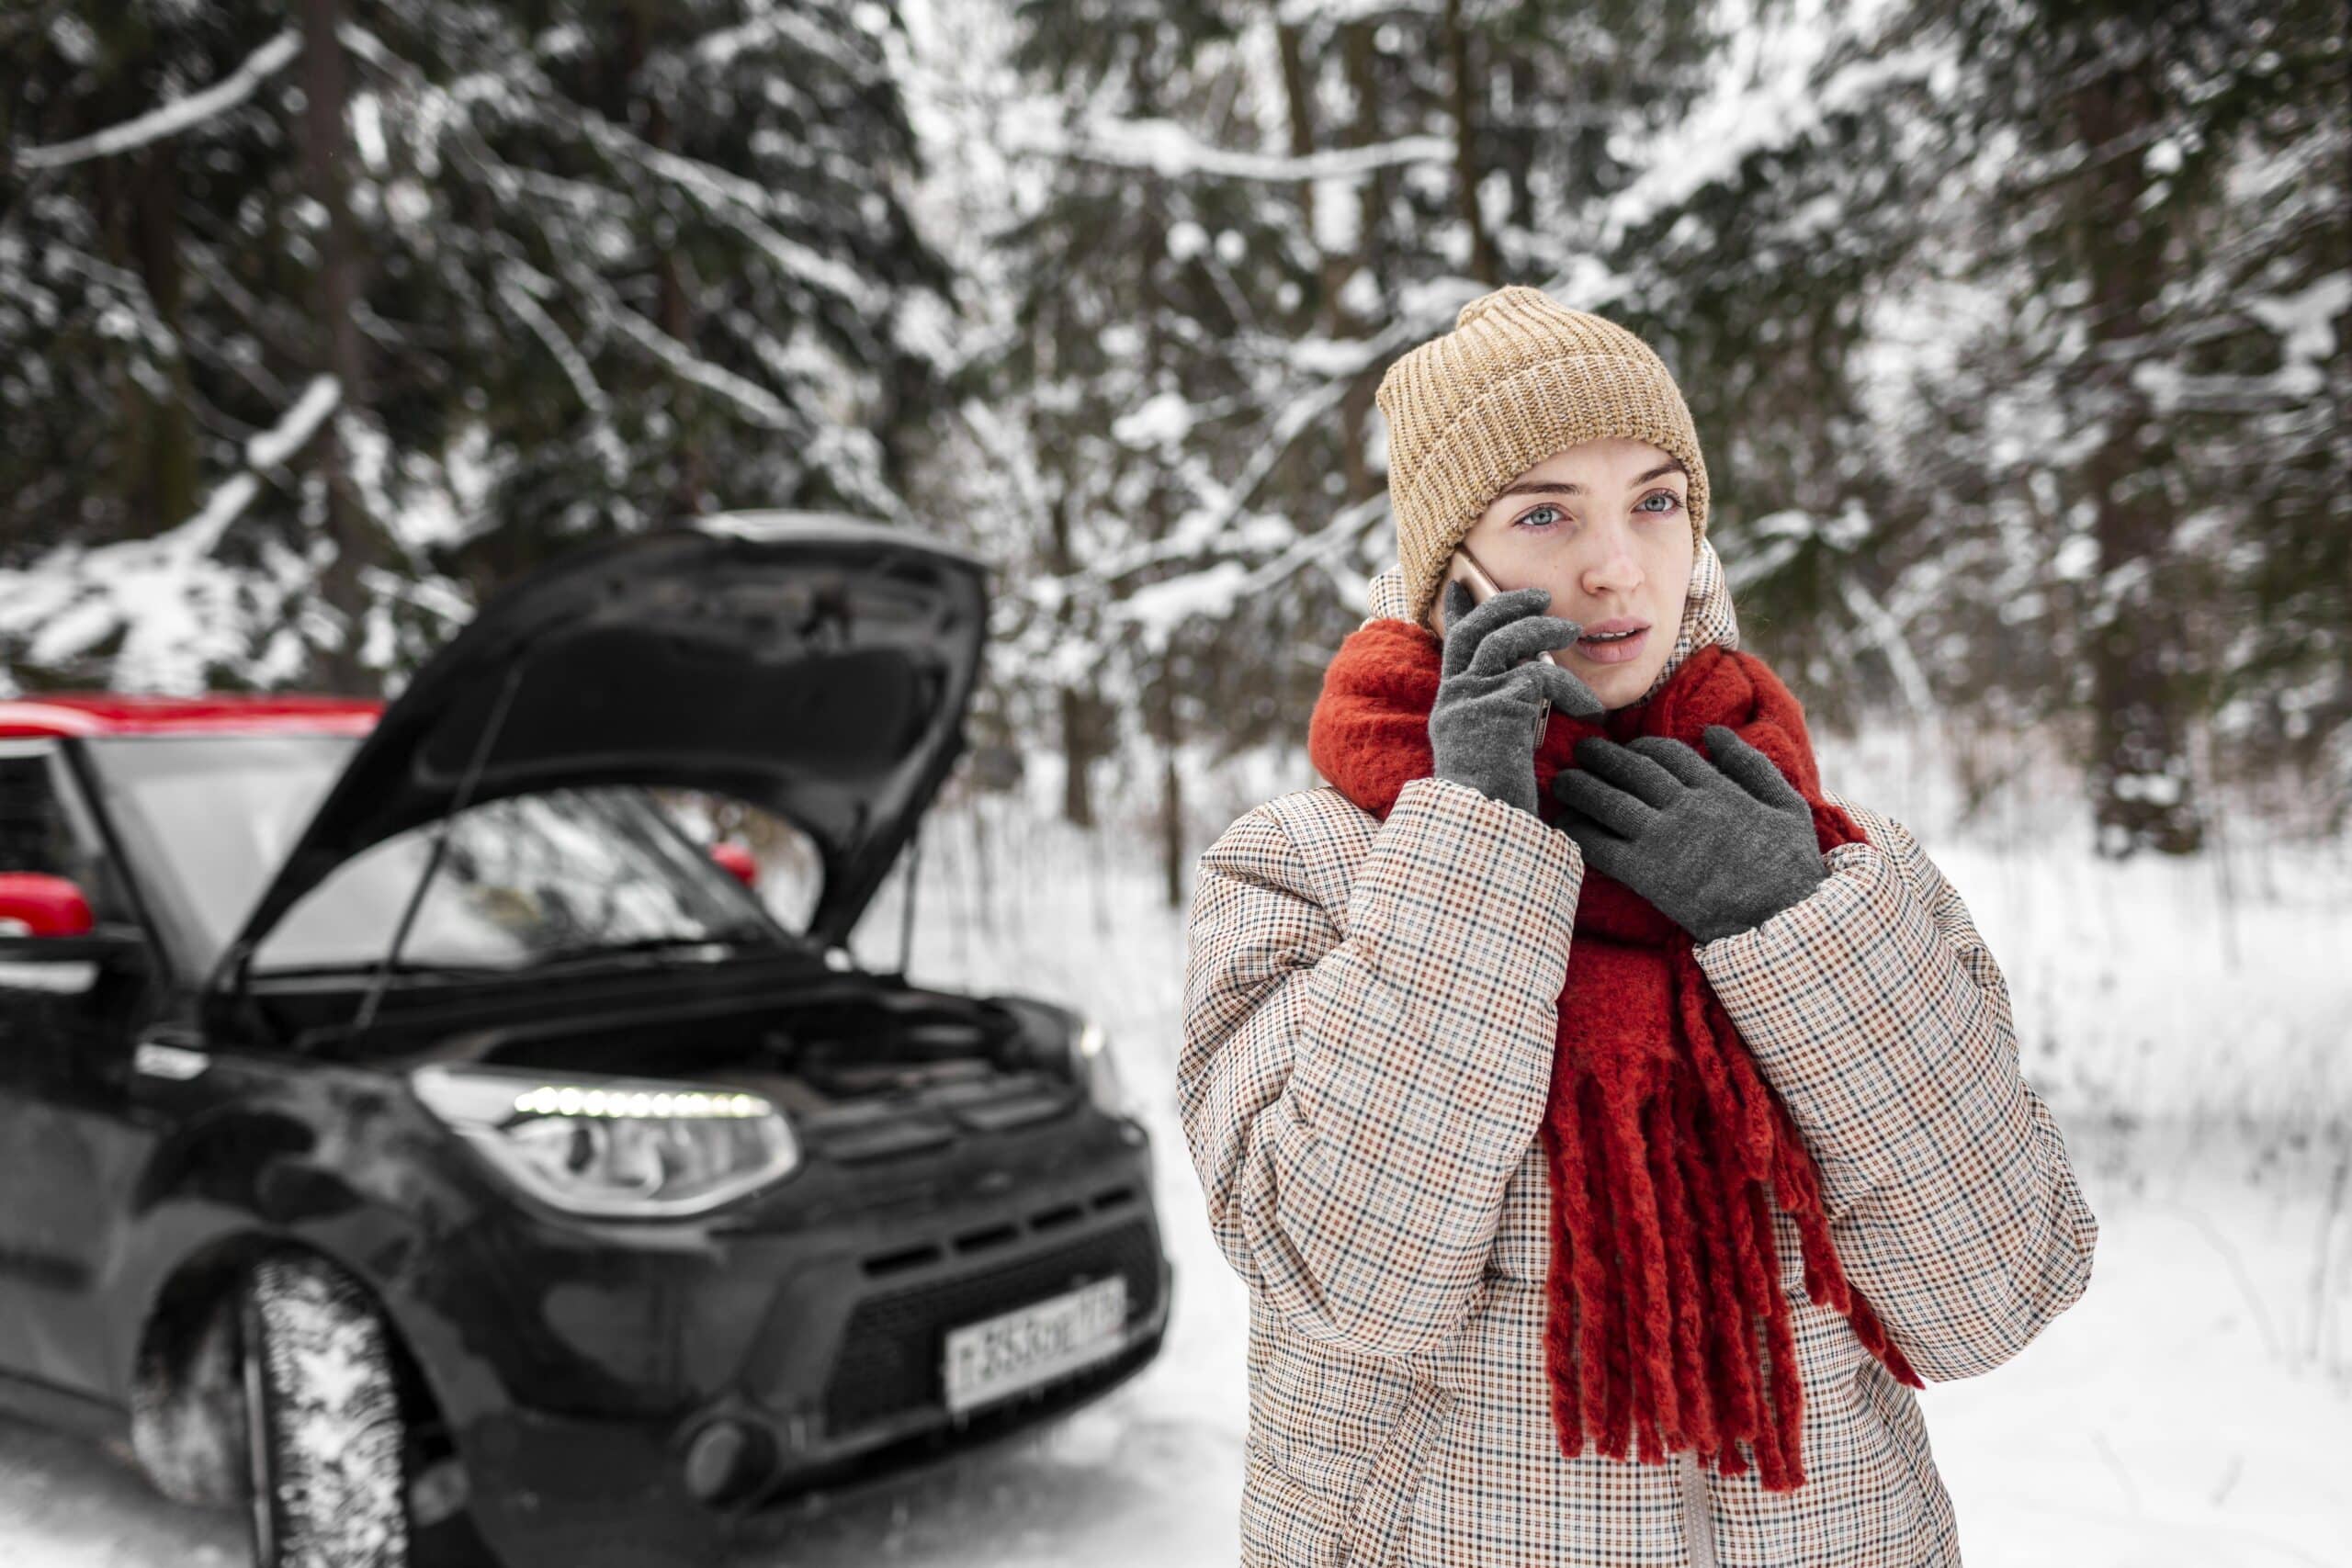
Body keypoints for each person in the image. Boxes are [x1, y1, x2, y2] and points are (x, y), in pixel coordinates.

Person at [1178, 285, 2098, 1567]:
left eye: (1655, 501)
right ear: (1450, 567)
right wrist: (1474, 849)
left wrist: (1793, 931)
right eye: (1546, 512)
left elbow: (1994, 1297)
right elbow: (1343, 1275)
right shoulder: (1306, 866)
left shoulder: (1836, 867)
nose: (1617, 568)